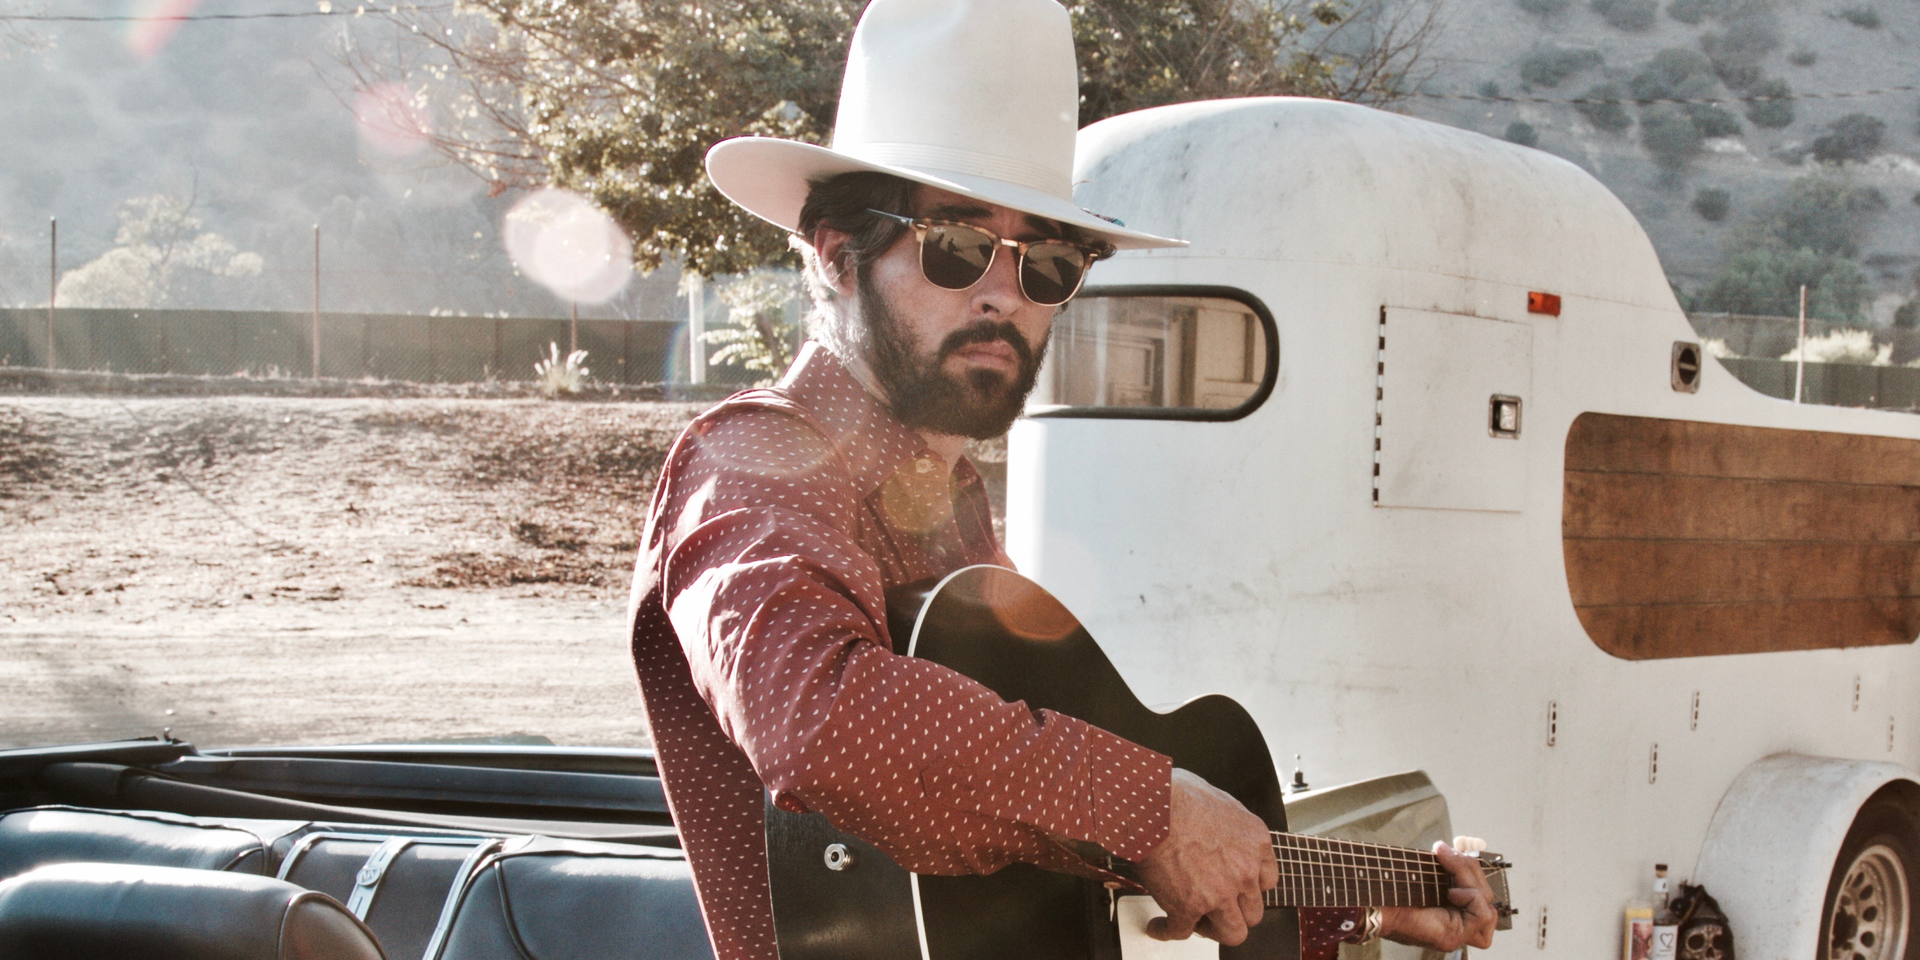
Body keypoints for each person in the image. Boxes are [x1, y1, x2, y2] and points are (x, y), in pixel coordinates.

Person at [627, 1, 1502, 958]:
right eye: (956, 247)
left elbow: (1050, 855)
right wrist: (1154, 808)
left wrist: (1370, 903)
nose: (1005, 294)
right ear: (837, 257)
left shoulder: (951, 510)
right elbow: (821, 720)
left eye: (1047, 264)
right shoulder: (753, 459)